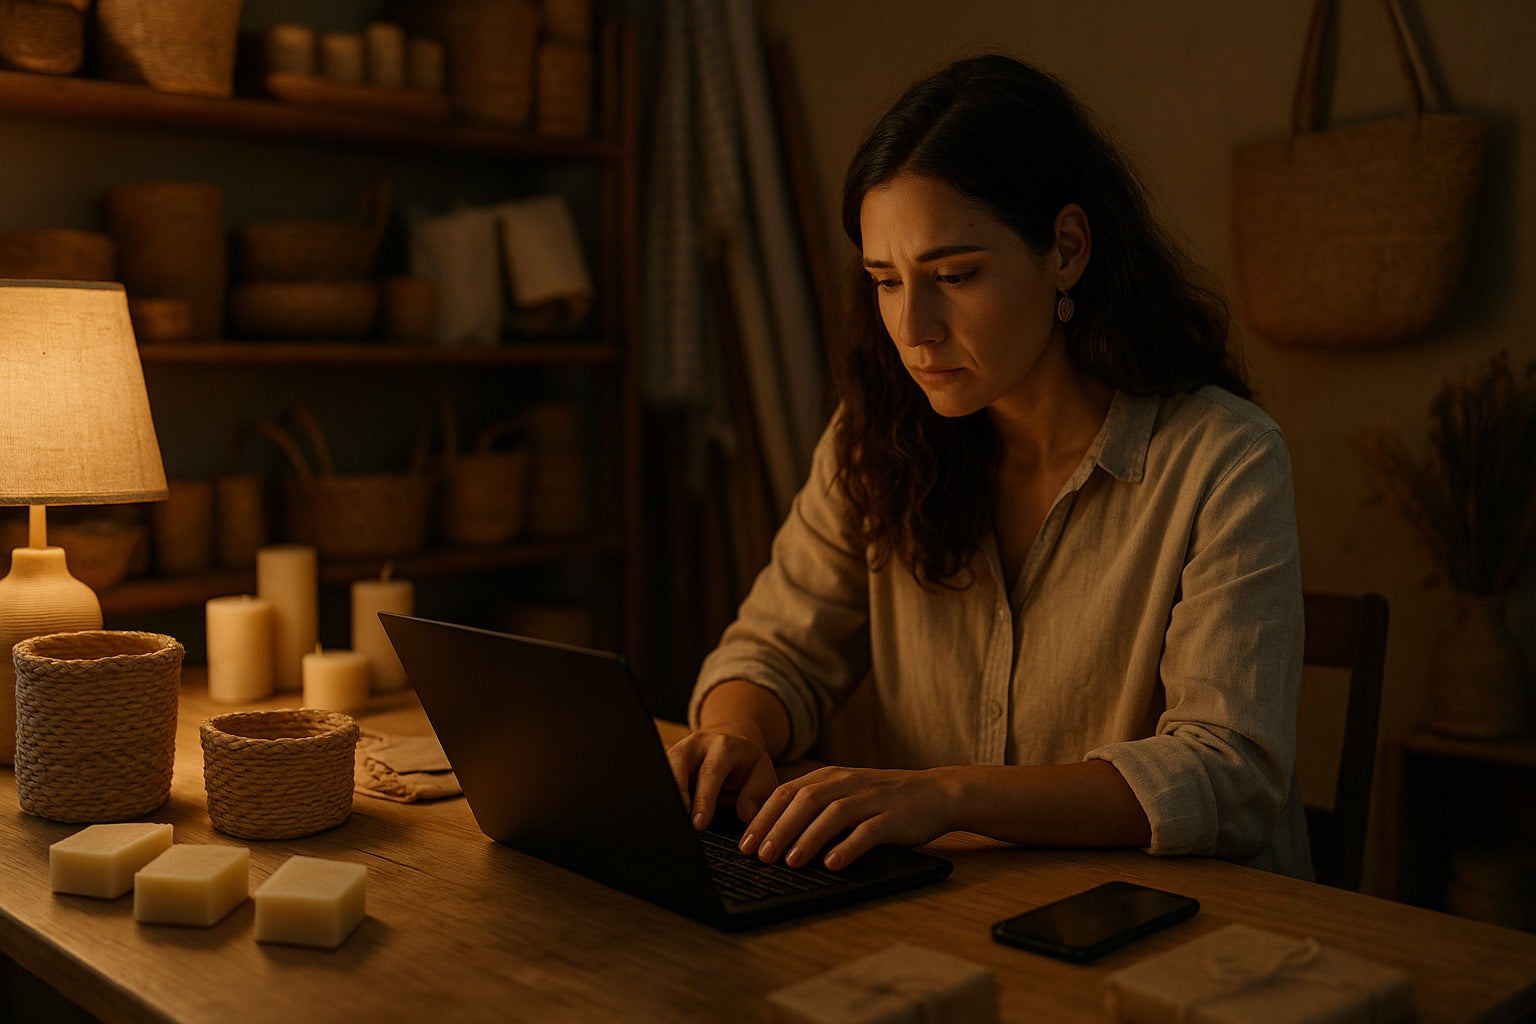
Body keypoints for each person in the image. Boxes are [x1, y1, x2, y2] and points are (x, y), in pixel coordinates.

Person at [666, 53, 1310, 880]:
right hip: (963, 915)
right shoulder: (877, 440)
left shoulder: (1224, 459)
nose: (913, 327)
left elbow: (1229, 773)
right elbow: (772, 650)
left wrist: (949, 796)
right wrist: (735, 733)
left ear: (1068, 249)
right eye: (885, 281)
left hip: (1193, 939)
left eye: (955, 275)